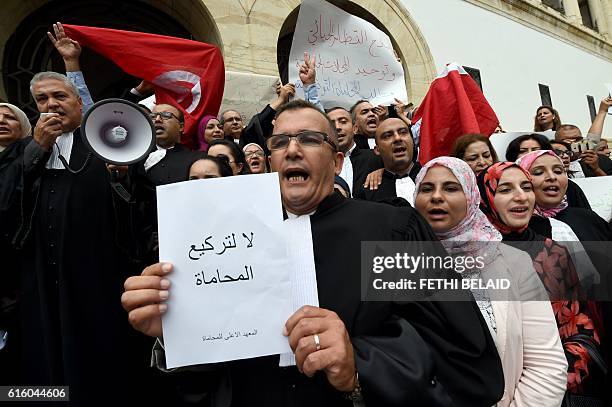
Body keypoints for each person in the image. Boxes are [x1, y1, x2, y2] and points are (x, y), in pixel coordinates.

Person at [122, 100, 505, 407]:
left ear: (338, 161)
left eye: (308, 139)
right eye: (279, 143)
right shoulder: (228, 241)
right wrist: (175, 333)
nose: (291, 150)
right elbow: (215, 373)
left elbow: (462, 360)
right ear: (269, 163)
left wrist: (360, 365)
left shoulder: (389, 231)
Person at [0, 71, 144, 403]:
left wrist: (122, 179)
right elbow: (6, 203)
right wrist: (37, 150)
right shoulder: (23, 150)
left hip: (95, 279)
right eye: (42, 99)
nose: (51, 104)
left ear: (79, 103)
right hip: (37, 282)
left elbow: (133, 212)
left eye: (60, 97)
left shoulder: (107, 147)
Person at [413, 156, 568, 407]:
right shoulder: (397, 264)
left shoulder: (513, 263)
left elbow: (546, 364)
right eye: (426, 189)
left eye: (452, 188)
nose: (436, 197)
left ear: (472, 198)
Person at [477, 162, 608, 403]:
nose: (520, 196)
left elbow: (581, 328)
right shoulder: (473, 257)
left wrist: (554, 383)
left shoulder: (553, 252)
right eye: (505, 189)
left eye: (526, 187)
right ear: (485, 198)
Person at [355, 118, 419, 205]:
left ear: (412, 141)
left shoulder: (432, 175)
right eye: (387, 136)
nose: (397, 138)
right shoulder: (367, 193)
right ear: (377, 150)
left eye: (403, 132)